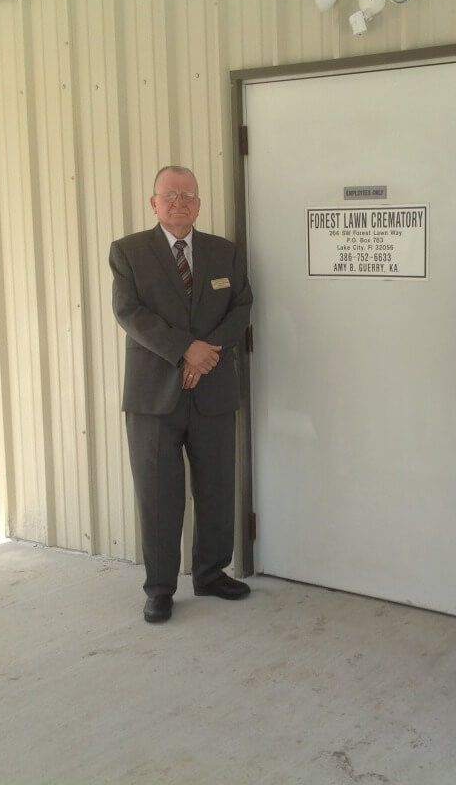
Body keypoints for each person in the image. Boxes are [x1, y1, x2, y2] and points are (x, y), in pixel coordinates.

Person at [110, 165, 253, 624]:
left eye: (188, 195)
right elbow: (130, 312)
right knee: (159, 496)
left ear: (199, 203)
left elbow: (242, 307)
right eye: (169, 195)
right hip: (154, 398)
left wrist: (204, 355)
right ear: (154, 203)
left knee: (216, 487)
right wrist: (184, 350)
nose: (178, 202)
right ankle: (160, 588)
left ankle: (211, 573)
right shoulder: (129, 252)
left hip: (212, 389)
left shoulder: (224, 253)